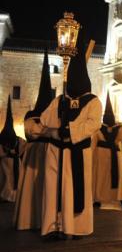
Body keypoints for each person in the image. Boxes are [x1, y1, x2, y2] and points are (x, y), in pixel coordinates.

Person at [40, 47, 102, 238]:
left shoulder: (93, 102)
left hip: (78, 152)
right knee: (54, 190)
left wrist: (71, 130)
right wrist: (60, 123)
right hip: (57, 152)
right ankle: (53, 226)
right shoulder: (60, 100)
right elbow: (44, 119)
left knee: (75, 190)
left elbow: (94, 124)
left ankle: (76, 227)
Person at [14, 50, 54, 229]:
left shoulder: (33, 116)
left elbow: (32, 132)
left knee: (34, 186)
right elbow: (35, 132)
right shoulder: (46, 118)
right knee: (38, 185)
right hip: (43, 153)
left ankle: (31, 218)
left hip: (38, 153)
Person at [92, 94, 122, 209]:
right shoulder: (115, 128)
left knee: (101, 177)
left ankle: (98, 199)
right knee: (112, 177)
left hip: (102, 153)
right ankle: (120, 200)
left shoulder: (98, 128)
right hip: (110, 153)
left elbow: (93, 142)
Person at [0, 96, 26, 203]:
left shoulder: (5, 138)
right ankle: (12, 196)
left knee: (7, 180)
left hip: (7, 162)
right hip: (13, 162)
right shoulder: (18, 140)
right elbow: (23, 148)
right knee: (9, 180)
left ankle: (8, 196)